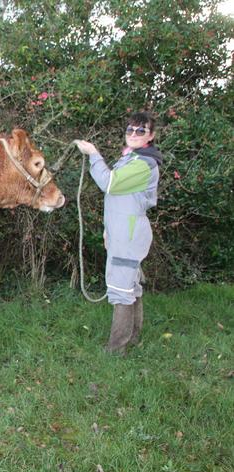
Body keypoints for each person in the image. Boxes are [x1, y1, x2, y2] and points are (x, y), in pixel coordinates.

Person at [75, 111, 162, 354]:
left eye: (140, 131)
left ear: (151, 136)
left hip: (129, 235)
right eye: (130, 130)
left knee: (122, 289)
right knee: (131, 286)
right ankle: (132, 339)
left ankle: (116, 348)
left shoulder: (144, 163)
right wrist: (107, 232)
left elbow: (109, 183)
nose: (134, 134)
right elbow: (117, 200)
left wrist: (93, 154)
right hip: (121, 232)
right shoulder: (130, 159)